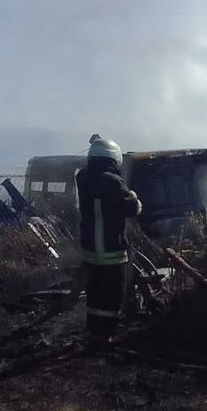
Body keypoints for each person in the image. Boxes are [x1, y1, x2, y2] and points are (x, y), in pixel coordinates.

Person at [76, 134, 142, 345]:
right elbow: (131, 208)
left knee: (95, 293)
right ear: (113, 159)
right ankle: (106, 335)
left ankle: (94, 331)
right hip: (112, 250)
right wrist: (132, 195)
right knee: (112, 295)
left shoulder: (83, 177)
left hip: (90, 251)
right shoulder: (113, 182)